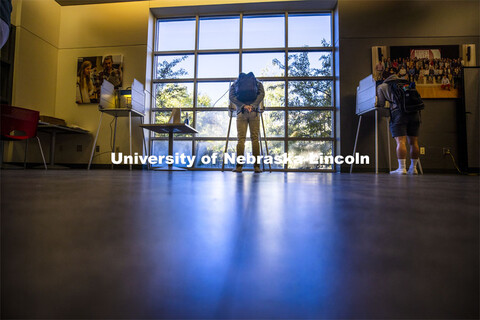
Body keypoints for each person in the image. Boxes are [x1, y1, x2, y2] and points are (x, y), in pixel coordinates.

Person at [377, 71, 421, 175]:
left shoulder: (382, 86)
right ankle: (413, 168)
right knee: (414, 142)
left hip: (399, 113)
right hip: (415, 113)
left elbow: (381, 103)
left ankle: (402, 168)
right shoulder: (406, 83)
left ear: (384, 78)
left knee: (401, 142)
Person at [229, 73, 265, 173]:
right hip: (254, 113)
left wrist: (243, 106)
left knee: (241, 139)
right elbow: (261, 94)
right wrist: (253, 105)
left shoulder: (236, 83)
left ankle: (239, 167)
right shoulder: (257, 83)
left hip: (241, 113)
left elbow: (231, 97)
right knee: (255, 139)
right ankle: (257, 167)